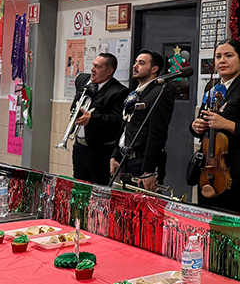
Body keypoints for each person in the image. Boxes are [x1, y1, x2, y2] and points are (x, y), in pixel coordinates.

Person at [190, 39, 240, 215]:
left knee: (233, 222)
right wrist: (196, 126)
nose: (222, 61)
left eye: (228, 55)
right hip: (208, 167)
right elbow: (201, 123)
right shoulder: (212, 87)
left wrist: (227, 125)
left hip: (237, 166)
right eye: (218, 56)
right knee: (207, 219)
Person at [110, 50, 175, 193]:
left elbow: (157, 134)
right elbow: (125, 125)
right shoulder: (135, 93)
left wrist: (149, 170)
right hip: (125, 159)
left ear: (154, 69)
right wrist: (115, 155)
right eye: (135, 62)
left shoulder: (160, 93)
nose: (135, 66)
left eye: (141, 63)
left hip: (142, 162)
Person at [70, 53, 127, 185]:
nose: (92, 69)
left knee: (98, 191)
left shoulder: (119, 91)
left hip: (100, 152)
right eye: (93, 65)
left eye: (97, 67)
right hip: (80, 148)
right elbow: (79, 77)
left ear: (109, 71)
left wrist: (92, 119)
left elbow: (117, 121)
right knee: (78, 188)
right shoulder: (85, 82)